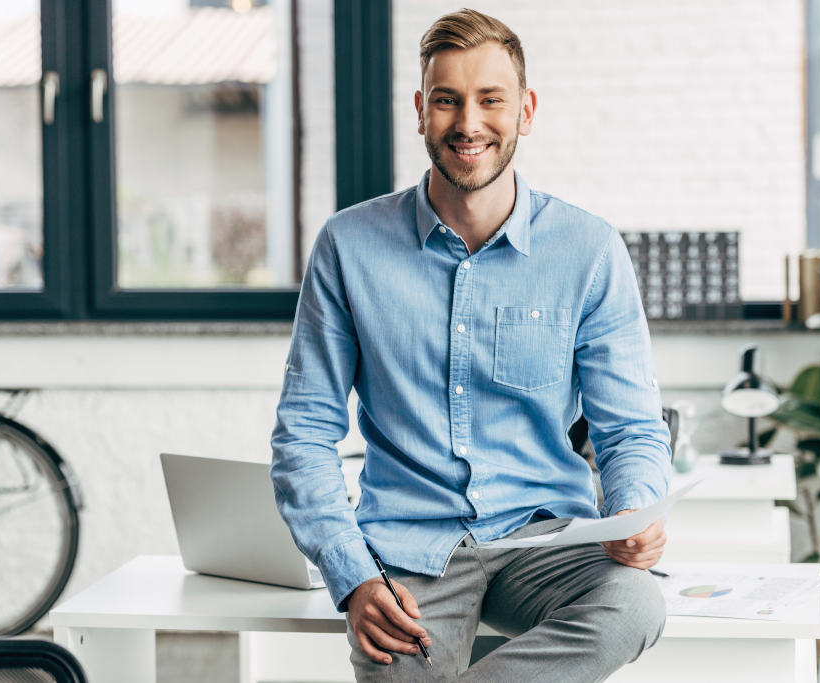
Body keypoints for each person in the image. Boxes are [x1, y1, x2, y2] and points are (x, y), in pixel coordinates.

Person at [271, 8, 671, 682]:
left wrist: (634, 508)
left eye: (491, 99)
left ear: (526, 111)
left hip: (547, 539)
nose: (468, 122)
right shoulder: (348, 246)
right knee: (401, 665)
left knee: (633, 604)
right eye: (448, 100)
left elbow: (629, 426)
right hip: (407, 551)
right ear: (420, 110)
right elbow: (304, 432)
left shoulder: (589, 250)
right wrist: (352, 576)